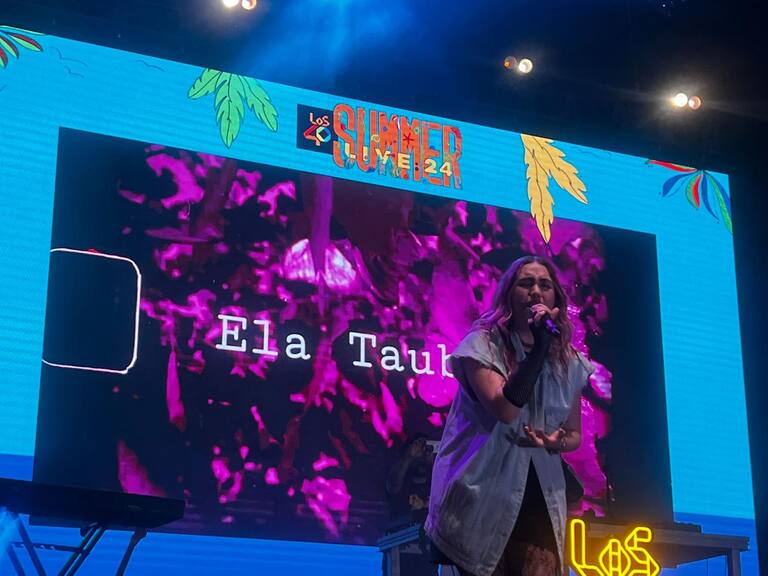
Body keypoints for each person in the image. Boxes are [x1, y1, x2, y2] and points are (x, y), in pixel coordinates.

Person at [425, 255, 594, 576]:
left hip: (539, 495)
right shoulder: (481, 346)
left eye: (545, 285)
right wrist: (540, 348)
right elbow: (505, 408)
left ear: (556, 300)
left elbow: (574, 433)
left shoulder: (569, 362)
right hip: (482, 491)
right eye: (526, 283)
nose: (536, 291)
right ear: (508, 295)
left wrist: (555, 441)